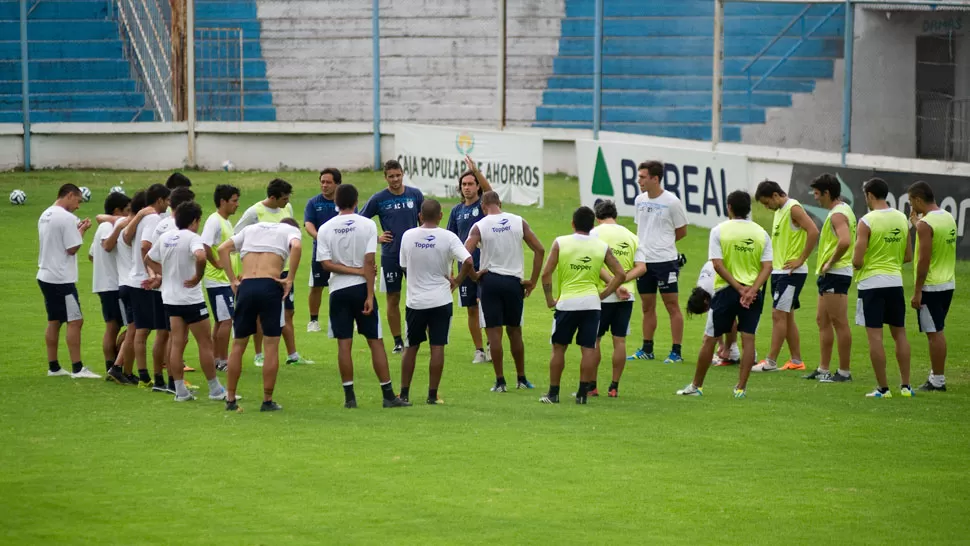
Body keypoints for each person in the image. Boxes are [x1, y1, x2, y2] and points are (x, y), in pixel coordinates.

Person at [317, 184, 411, 408]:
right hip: (361, 288)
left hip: (338, 290)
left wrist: (352, 271)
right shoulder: (367, 225)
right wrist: (369, 294)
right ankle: (388, 395)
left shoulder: (325, 228)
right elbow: (369, 263)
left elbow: (325, 264)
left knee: (344, 344)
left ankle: (350, 398)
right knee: (375, 342)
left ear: (336, 203)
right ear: (357, 200)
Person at [677, 191, 772, 398]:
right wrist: (751, 290)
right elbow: (767, 267)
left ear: (729, 207)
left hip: (726, 292)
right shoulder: (761, 233)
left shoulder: (719, 230)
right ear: (749, 209)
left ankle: (696, 386)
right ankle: (740, 389)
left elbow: (717, 265)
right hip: (753, 295)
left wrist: (738, 289)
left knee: (710, 339)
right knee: (748, 340)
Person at [540, 206, 626, 404]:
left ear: (572, 223)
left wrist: (549, 299)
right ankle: (581, 394)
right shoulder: (601, 246)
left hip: (567, 304)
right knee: (588, 348)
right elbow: (620, 274)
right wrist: (604, 294)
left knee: (559, 348)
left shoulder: (561, 242)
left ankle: (553, 393)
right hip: (592, 305)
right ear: (593, 224)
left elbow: (546, 273)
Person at [218, 218, 304, 412]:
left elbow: (223, 249)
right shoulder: (290, 230)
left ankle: (230, 399)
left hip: (246, 286)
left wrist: (232, 279)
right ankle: (267, 400)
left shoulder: (250, 229)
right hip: (270, 285)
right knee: (271, 345)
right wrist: (289, 278)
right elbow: (297, 247)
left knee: (238, 344)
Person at [146, 202, 227, 402]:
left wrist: (164, 274)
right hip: (191, 299)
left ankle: (180, 391)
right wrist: (197, 277)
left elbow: (148, 258)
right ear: (195, 221)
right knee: (205, 344)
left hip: (170, 299)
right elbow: (200, 257)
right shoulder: (193, 238)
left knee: (177, 343)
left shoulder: (165, 237)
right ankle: (215, 389)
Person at [464, 191, 544, 393]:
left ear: (483, 207)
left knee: (494, 334)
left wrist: (474, 276)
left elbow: (465, 254)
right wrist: (532, 281)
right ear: (500, 203)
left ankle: (500, 382)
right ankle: (522, 378)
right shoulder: (518, 221)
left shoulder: (479, 226)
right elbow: (540, 250)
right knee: (515, 331)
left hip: (489, 282)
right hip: (513, 283)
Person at [398, 199, 474, 405]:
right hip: (441, 299)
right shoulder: (449, 237)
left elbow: (403, 266)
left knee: (411, 346)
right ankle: (432, 395)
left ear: (420, 216)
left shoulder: (408, 236)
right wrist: (457, 280)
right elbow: (468, 260)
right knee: (437, 345)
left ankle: (404, 393)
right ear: (441, 216)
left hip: (416, 301)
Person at [235, 178, 312, 367]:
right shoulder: (254, 212)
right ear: (272, 197)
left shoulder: (288, 208)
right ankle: (259, 354)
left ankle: (292, 355)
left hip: (284, 270)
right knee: (261, 314)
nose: (287, 202)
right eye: (284, 199)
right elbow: (237, 237)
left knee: (288, 312)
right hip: (261, 274)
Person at [852, 177, 913, 399]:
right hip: (895, 282)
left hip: (871, 284)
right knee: (900, 335)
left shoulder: (866, 221)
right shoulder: (901, 218)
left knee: (875, 338)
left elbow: (858, 260)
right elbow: (908, 256)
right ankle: (906, 387)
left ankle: (883, 389)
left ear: (869, 195)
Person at [753, 180, 819, 372]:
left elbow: (814, 231)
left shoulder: (793, 208)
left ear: (775, 195)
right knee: (787, 316)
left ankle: (770, 362)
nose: (767, 207)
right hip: (780, 272)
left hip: (791, 273)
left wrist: (800, 259)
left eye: (767, 203)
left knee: (778, 314)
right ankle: (796, 360)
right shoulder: (780, 211)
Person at [627, 160, 688, 364]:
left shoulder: (672, 202)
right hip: (644, 262)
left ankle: (676, 352)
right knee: (647, 307)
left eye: (643, 177)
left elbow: (682, 231)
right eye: (639, 176)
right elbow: (642, 228)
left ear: (655, 178)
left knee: (672, 306)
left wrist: (664, 245)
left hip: (665, 262)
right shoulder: (639, 200)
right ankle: (647, 349)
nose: (639, 180)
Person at [360, 159, 424, 354]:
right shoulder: (378, 199)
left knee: (419, 295)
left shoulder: (415, 194)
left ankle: (416, 335)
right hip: (391, 256)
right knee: (393, 296)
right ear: (385, 177)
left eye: (398, 175)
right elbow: (360, 222)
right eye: (391, 176)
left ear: (403, 174)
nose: (395, 179)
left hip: (415, 254)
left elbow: (425, 219)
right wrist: (377, 238)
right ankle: (397, 340)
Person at [37, 184, 98, 379]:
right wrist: (82, 231)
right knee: (75, 320)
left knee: (54, 320)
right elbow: (72, 248)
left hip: (45, 274)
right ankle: (78, 368)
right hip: (61, 278)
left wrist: (75, 230)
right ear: (70, 195)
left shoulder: (45, 214)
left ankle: (53, 366)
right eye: (78, 201)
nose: (78, 206)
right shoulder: (68, 218)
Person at [803, 174, 855, 383]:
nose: (815, 198)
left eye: (817, 193)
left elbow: (845, 241)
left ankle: (844, 372)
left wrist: (830, 262)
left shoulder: (837, 215)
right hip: (829, 275)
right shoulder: (840, 210)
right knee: (822, 320)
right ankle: (823, 368)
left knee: (839, 323)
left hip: (836, 273)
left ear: (827, 193)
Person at [908, 181, 956, 392]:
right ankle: (936, 374)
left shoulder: (926, 225)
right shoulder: (947, 217)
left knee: (934, 333)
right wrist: (917, 223)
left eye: (911, 201)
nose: (910, 205)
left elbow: (923, 261)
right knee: (938, 329)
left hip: (931, 286)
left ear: (918, 200)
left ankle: (938, 380)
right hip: (948, 283)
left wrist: (918, 290)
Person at [124, 183, 172, 392]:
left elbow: (126, 238)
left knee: (140, 330)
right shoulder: (153, 218)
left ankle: (142, 375)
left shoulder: (143, 217)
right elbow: (146, 246)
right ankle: (150, 377)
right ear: (160, 199)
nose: (169, 204)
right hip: (145, 281)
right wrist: (155, 273)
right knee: (150, 331)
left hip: (135, 279)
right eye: (167, 200)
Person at [445, 156, 493, 363]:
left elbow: (491, 192)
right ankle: (479, 350)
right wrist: (450, 271)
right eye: (463, 184)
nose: (466, 188)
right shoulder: (456, 211)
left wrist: (476, 170)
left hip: (486, 265)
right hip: (464, 268)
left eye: (470, 184)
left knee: (486, 306)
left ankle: (492, 345)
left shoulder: (484, 206)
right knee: (471, 309)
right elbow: (449, 240)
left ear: (477, 187)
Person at [589, 199, 637, 398]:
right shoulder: (632, 236)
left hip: (603, 295)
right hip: (628, 295)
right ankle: (614, 386)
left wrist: (614, 286)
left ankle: (592, 386)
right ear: (615, 216)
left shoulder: (594, 233)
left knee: (595, 340)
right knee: (620, 341)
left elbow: (595, 264)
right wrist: (622, 284)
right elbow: (642, 267)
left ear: (597, 217)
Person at [106, 190, 151, 387]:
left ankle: (127, 371)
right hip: (132, 283)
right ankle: (117, 367)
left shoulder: (121, 223)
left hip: (124, 283)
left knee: (133, 329)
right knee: (135, 330)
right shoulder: (135, 226)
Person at [89, 191, 132, 384]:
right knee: (131, 326)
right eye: (127, 211)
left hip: (103, 282)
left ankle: (111, 366)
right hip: (113, 284)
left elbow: (91, 255)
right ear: (117, 211)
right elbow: (107, 245)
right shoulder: (108, 226)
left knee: (113, 326)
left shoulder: (103, 225)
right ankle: (116, 366)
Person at [201, 184, 241, 372]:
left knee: (221, 320)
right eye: (234, 201)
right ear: (223, 201)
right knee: (227, 320)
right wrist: (215, 262)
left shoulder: (226, 222)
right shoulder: (214, 221)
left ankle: (216, 358)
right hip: (217, 280)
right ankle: (223, 360)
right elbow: (205, 244)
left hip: (224, 280)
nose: (237, 204)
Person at [304, 168, 343, 333]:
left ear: (337, 184)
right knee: (316, 286)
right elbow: (308, 225)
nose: (324, 185)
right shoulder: (313, 203)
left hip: (341, 251)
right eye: (322, 182)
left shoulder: (344, 201)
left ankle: (342, 319)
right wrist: (319, 237)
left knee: (342, 286)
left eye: (328, 182)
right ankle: (313, 321)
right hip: (320, 252)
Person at [684, 260, 741, 366]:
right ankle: (729, 351)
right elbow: (714, 318)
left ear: (705, 302)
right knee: (717, 316)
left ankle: (733, 352)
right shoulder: (701, 291)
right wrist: (721, 344)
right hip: (721, 267)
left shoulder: (714, 290)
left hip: (736, 271)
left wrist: (727, 347)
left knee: (730, 316)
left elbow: (730, 320)